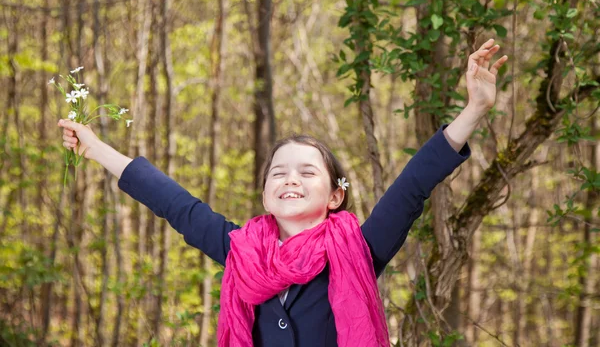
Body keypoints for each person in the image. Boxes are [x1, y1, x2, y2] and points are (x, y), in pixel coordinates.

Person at [58, 39, 508, 347]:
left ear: (334, 196)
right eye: (279, 172)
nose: (290, 179)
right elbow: (176, 205)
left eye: (307, 172)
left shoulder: (360, 249)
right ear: (266, 193)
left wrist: (474, 109)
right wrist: (96, 149)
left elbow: (412, 186)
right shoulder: (239, 250)